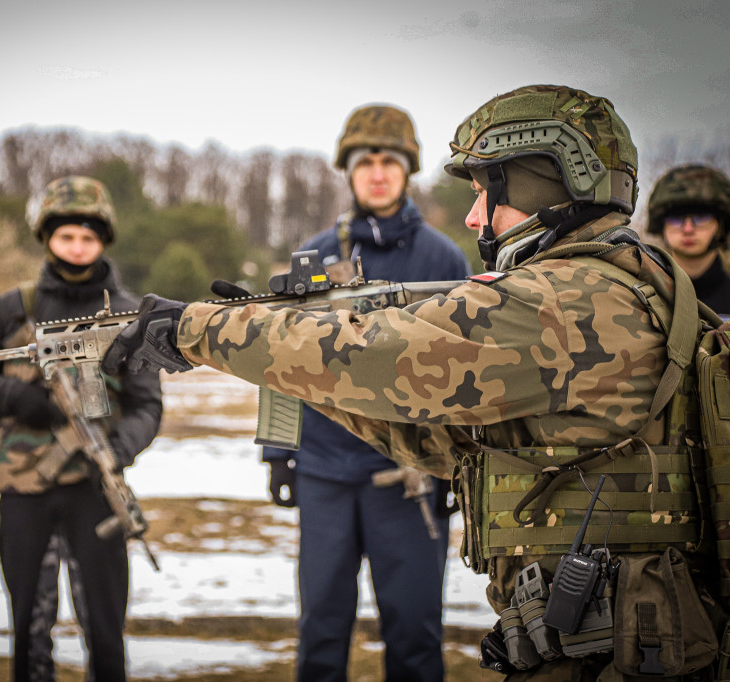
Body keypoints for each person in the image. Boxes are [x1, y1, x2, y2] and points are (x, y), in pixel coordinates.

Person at [103, 84, 726, 680]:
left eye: (489, 190)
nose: (476, 212)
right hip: (616, 629)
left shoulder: (563, 302)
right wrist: (287, 400)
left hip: (614, 640)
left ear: (548, 183)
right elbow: (469, 443)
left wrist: (197, 330)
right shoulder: (631, 282)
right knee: (323, 623)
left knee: (411, 630)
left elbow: (380, 360)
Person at [261, 104, 470, 682]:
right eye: (365, 161)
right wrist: (279, 452)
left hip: (408, 476)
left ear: (408, 170)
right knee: (322, 630)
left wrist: (457, 465)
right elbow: (279, 359)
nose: (377, 172)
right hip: (325, 475)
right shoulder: (314, 254)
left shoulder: (443, 258)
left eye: (389, 161)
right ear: (348, 171)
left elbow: (463, 372)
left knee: (415, 631)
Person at [0, 175, 162, 682]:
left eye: (88, 237)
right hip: (25, 493)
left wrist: (115, 450)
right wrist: (20, 399)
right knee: (28, 628)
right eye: (66, 235)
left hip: (95, 494)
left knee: (105, 632)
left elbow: (148, 407)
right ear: (46, 237)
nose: (77, 246)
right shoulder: (12, 308)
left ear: (104, 240)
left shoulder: (129, 312)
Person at [645, 164, 730, 315]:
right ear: (662, 226)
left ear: (721, 226)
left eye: (701, 217)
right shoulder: (646, 296)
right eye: (676, 218)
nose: (688, 229)